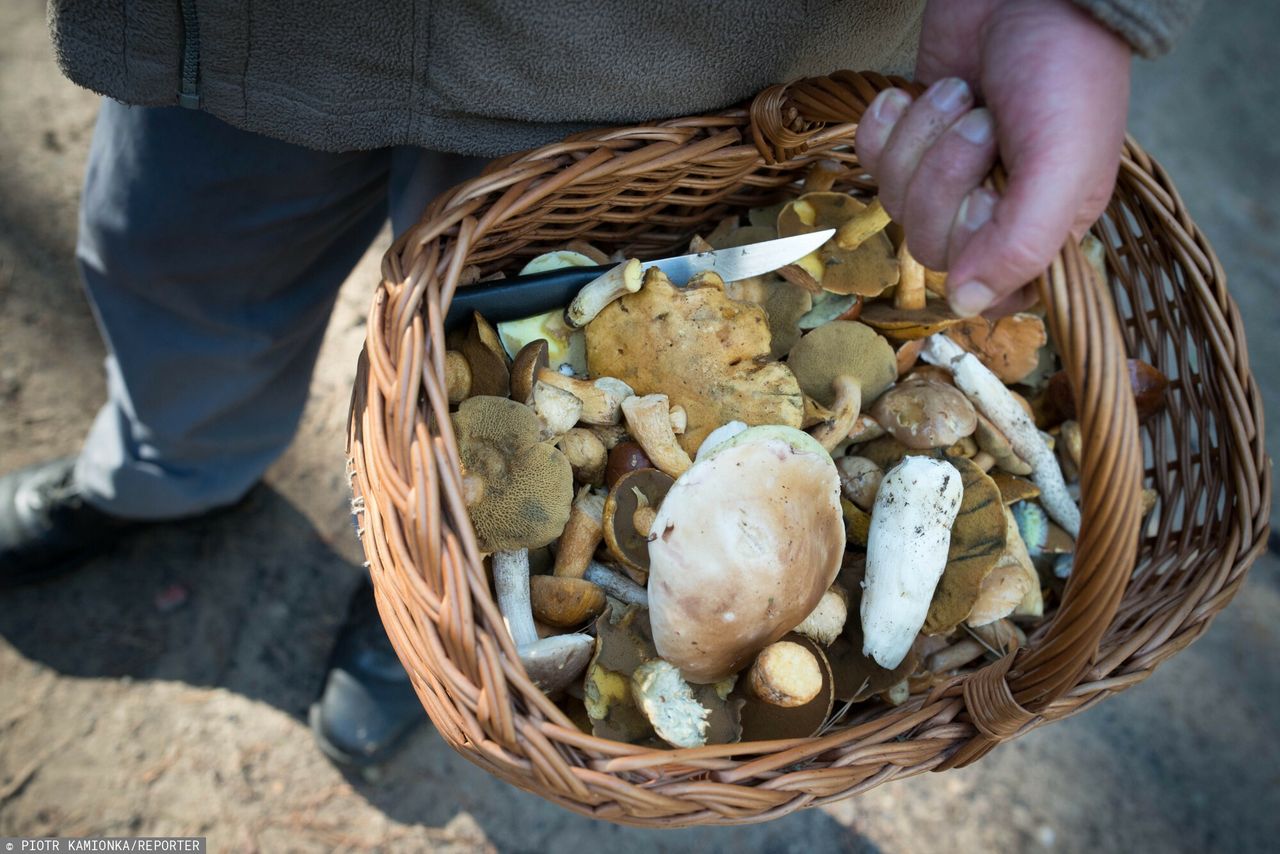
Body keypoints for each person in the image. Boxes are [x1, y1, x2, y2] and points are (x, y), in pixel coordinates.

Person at [2, 0, 1199, 765]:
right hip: (267, 28)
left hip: (650, 56)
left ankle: (433, 616)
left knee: (463, 440)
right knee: (166, 255)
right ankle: (162, 466)